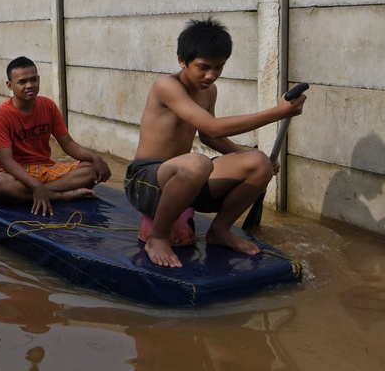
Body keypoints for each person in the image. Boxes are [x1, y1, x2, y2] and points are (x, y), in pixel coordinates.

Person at [125, 18, 306, 268]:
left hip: (186, 178)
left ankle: (219, 231)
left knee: (258, 162)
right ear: (182, 60)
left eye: (219, 67)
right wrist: (277, 112)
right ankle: (157, 237)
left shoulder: (208, 91)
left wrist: (249, 158)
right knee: (197, 163)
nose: (211, 75)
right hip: (146, 180)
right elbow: (212, 127)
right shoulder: (166, 85)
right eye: (203, 67)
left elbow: (210, 137)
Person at [0, 56, 111, 216]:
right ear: (10, 85)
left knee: (91, 170)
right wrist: (36, 186)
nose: (29, 86)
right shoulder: (0, 114)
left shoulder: (48, 106)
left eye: (34, 80)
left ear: (39, 79)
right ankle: (62, 196)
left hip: (46, 168)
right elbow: (7, 161)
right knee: (0, 184)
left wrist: (95, 158)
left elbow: (67, 143)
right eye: (22, 82)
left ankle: (40, 193)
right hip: (16, 172)